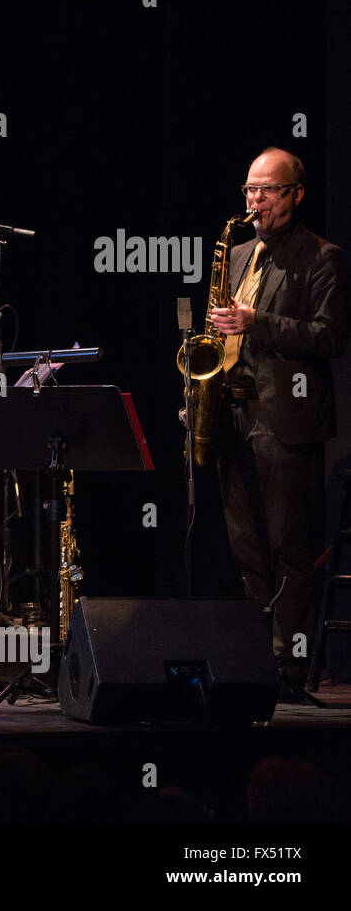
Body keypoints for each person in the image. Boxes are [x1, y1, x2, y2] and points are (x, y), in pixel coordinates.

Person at [208, 147, 350, 701]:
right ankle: (251, 662)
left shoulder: (323, 257)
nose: (255, 200)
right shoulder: (239, 252)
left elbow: (330, 337)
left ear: (296, 194)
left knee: (291, 550)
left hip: (286, 420)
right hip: (233, 414)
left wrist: (255, 322)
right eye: (249, 190)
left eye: (267, 190)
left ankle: (286, 671)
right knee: (246, 547)